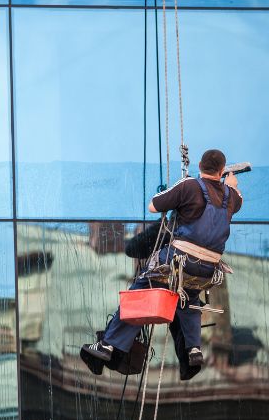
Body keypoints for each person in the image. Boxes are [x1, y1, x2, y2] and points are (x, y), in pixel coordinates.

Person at [82, 149, 243, 369]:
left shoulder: (189, 186)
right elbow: (234, 196)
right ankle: (193, 349)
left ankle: (108, 345)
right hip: (207, 269)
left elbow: (153, 205)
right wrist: (231, 184)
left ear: (200, 165)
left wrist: (178, 196)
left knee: (139, 294)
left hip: (178, 259)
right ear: (222, 170)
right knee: (189, 298)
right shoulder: (231, 196)